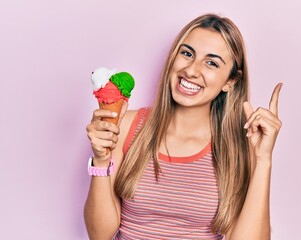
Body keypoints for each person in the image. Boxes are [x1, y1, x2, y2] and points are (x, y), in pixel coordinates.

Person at [84, 13, 282, 240]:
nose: (191, 70)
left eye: (211, 63)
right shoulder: (126, 126)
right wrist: (100, 160)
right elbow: (99, 235)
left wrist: (263, 159)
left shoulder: (239, 146)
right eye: (187, 53)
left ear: (230, 82)